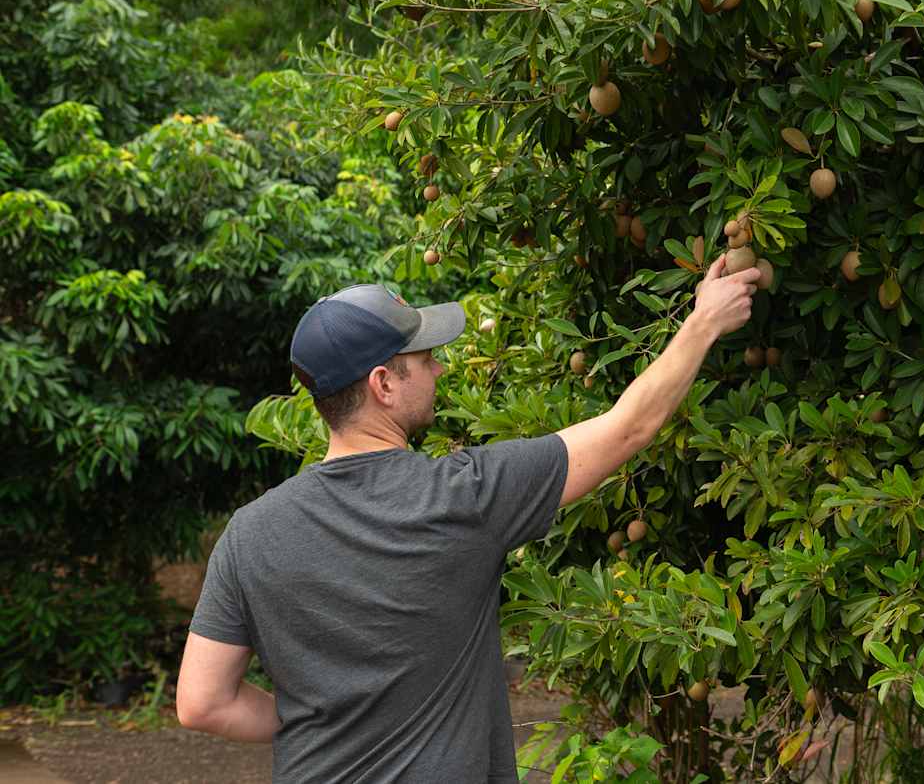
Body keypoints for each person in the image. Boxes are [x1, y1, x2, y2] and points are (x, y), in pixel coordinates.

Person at [175, 254, 761, 782]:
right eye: (424, 360)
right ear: (383, 383)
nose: (438, 371)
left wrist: (318, 716)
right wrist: (704, 321)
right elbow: (628, 426)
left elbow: (201, 703)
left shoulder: (247, 534)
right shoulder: (465, 497)